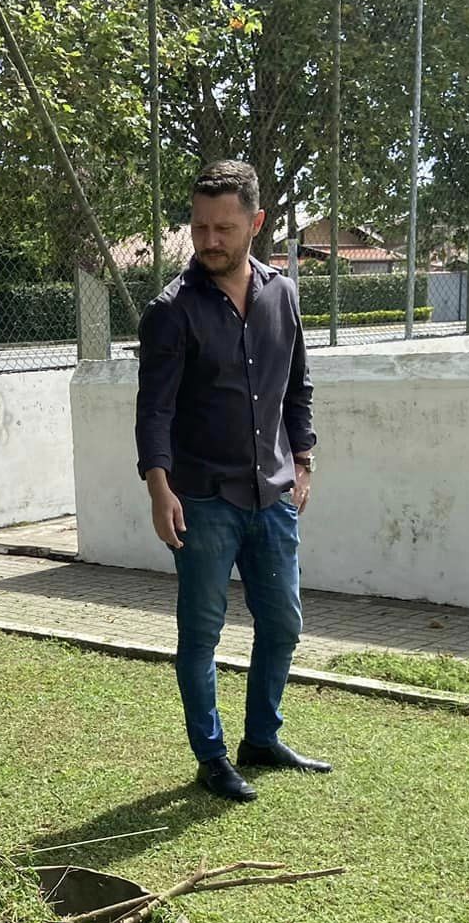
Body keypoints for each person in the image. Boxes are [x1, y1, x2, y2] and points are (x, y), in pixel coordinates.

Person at [135, 159, 329, 803]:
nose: (209, 240)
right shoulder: (171, 311)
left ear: (256, 223)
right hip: (201, 500)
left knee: (284, 624)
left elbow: (297, 386)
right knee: (202, 635)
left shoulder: (283, 294)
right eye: (199, 228)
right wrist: (159, 487)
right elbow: (154, 409)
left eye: (223, 228)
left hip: (273, 495)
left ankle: (261, 738)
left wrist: (303, 460)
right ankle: (212, 756)